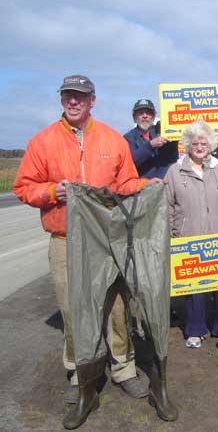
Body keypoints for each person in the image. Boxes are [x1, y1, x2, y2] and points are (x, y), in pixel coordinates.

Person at [13, 75, 162, 427]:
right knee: (74, 309)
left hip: (107, 240)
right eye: (68, 95)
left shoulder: (111, 139)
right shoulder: (43, 141)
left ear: (92, 99)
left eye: (80, 96)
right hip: (66, 240)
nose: (73, 101)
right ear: (62, 99)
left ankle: (123, 369)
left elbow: (124, 182)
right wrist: (52, 192)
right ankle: (81, 374)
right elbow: (23, 187)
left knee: (116, 307)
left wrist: (146, 184)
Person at [164, 120, 218, 348]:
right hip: (188, 239)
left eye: (204, 142)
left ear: (210, 144)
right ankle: (195, 329)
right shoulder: (174, 172)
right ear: (187, 145)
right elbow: (167, 207)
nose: (200, 146)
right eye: (195, 143)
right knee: (194, 290)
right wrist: (171, 236)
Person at [123, 99, 178, 178]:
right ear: (134, 117)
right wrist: (150, 145)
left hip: (167, 183)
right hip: (143, 186)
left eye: (148, 113)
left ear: (154, 116)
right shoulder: (128, 138)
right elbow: (130, 162)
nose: (145, 116)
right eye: (140, 113)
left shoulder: (164, 131)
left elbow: (173, 156)